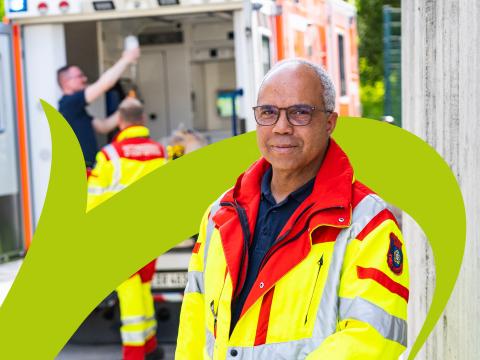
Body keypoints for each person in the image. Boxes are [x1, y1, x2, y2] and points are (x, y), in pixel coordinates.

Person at [176, 59, 409, 359]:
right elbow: (194, 326)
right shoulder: (220, 215)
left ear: (330, 122)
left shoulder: (366, 223)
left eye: (300, 113)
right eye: (268, 113)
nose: (281, 127)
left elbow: (371, 342)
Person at [87, 98, 166, 360]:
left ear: (120, 121)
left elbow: (95, 199)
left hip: (121, 235)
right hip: (152, 232)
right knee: (143, 287)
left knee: (130, 291)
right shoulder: (160, 151)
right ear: (142, 120)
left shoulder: (109, 155)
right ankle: (151, 345)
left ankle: (134, 354)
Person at [57, 47, 140, 168]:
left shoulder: (75, 109)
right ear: (66, 82)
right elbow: (104, 85)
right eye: (79, 76)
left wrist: (124, 107)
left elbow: (103, 127)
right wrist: (126, 59)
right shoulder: (69, 103)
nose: (84, 79)